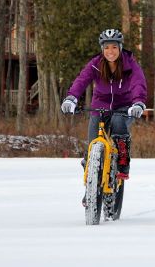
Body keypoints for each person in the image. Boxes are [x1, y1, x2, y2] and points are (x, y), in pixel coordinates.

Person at [61, 29, 147, 205]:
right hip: (100, 106)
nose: (110, 51)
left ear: (120, 48)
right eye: (107, 47)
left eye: (114, 47)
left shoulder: (130, 63)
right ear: (102, 49)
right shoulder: (96, 63)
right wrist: (71, 98)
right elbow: (81, 80)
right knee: (92, 148)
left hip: (124, 106)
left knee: (118, 123)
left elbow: (138, 82)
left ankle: (123, 159)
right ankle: (90, 189)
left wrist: (138, 103)